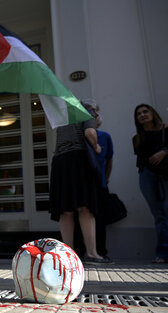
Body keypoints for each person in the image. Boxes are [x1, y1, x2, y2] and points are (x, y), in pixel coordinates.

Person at [49, 100, 110, 264]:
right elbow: (90, 133)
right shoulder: (87, 112)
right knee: (85, 208)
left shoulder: (63, 118)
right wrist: (96, 147)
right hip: (78, 160)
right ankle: (92, 253)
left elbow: (57, 147)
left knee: (65, 210)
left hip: (60, 163)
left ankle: (68, 254)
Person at [132, 103, 168, 264]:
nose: (142, 115)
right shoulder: (137, 137)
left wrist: (164, 152)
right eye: (139, 114)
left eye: (145, 111)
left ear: (153, 113)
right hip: (147, 175)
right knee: (158, 214)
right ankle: (164, 253)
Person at [73, 101, 114, 261]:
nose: (92, 116)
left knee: (99, 219)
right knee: (81, 215)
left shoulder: (104, 137)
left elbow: (109, 160)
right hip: (83, 180)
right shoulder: (78, 136)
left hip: (99, 181)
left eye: (94, 114)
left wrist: (106, 178)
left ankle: (100, 251)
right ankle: (80, 250)